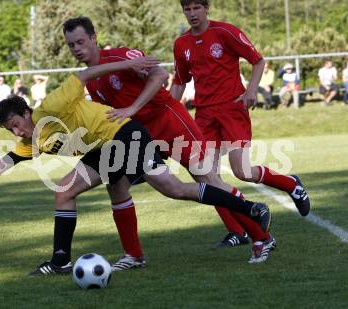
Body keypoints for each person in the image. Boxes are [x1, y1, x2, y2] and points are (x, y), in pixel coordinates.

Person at [0, 56, 272, 276]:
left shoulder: (52, 104)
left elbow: (85, 74)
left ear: (26, 113)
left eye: (16, 123)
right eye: (10, 130)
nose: (17, 132)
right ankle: (61, 260)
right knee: (65, 191)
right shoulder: (32, 141)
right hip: (104, 149)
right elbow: (0, 164)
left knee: (175, 189)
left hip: (124, 134)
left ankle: (249, 208)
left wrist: (130, 66)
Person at [62, 16, 277, 266]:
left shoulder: (120, 56)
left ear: (93, 38)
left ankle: (261, 236)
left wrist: (133, 107)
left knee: (207, 179)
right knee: (117, 185)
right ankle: (133, 256)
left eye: (80, 42)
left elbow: (160, 75)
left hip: (171, 122)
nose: (77, 49)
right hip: (140, 136)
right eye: (71, 45)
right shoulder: (91, 77)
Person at [171, 0, 310, 258]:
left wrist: (251, 90)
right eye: (187, 9)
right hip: (203, 115)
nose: (192, 14)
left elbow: (258, 61)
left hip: (232, 109)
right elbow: (179, 83)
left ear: (206, 8)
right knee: (204, 176)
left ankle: (291, 184)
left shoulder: (225, 32)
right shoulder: (181, 44)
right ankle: (238, 231)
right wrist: (167, 110)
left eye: (196, 8)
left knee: (242, 171)